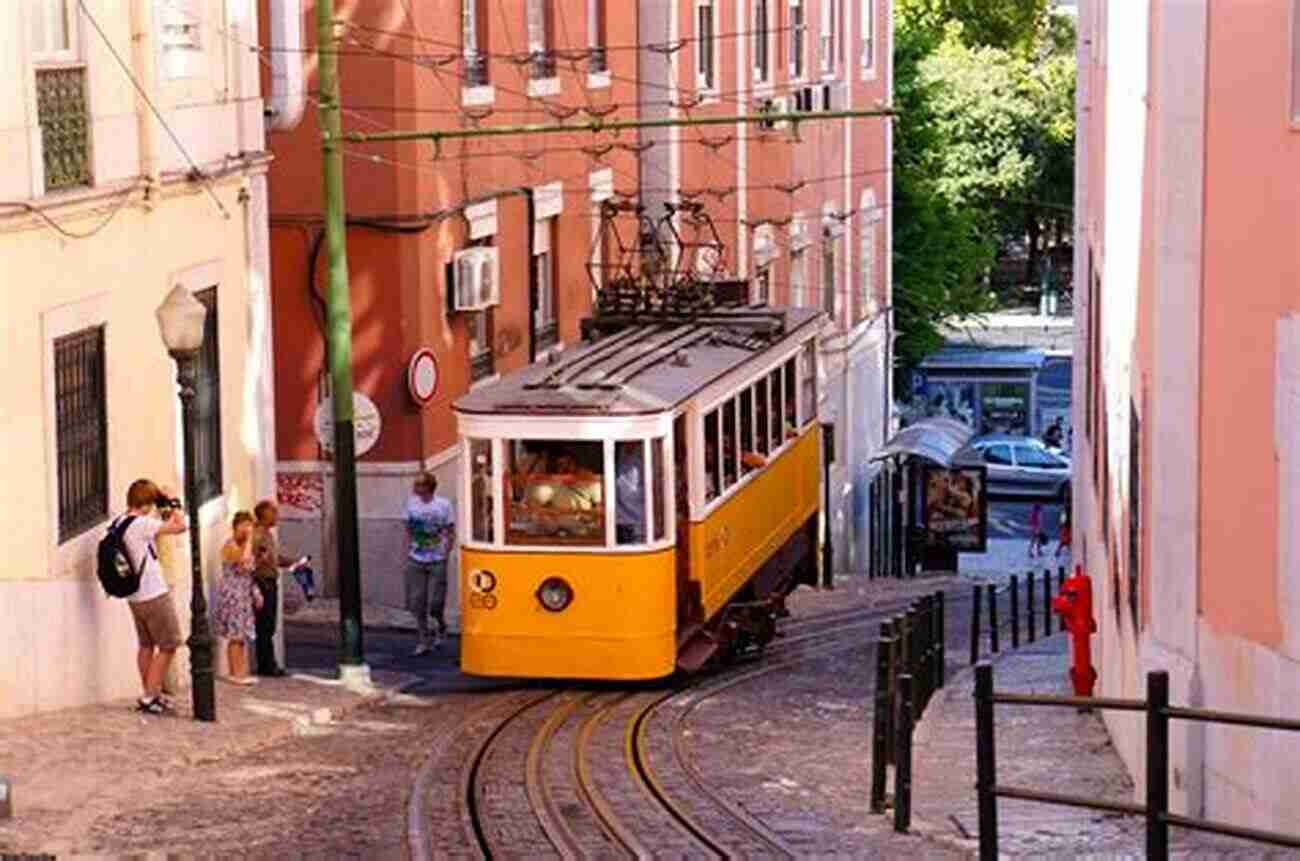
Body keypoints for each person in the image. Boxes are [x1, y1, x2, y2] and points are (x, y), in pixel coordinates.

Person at [115, 479, 188, 715]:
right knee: (169, 645)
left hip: (135, 596)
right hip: (154, 594)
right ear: (146, 503)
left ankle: (151, 695)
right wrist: (174, 501)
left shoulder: (119, 522)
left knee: (146, 645)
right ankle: (149, 695)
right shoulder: (142, 524)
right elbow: (180, 526)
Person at [251, 500, 307, 677]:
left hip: (270, 581)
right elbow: (258, 559)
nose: (277, 515)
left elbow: (273, 558)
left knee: (269, 625)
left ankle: (268, 663)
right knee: (265, 625)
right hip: (263, 583)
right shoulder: (259, 536)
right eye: (273, 512)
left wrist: (292, 562)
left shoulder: (267, 534)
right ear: (264, 515)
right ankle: (266, 665)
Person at [405, 472, 455, 656]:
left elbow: (450, 531)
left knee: (435, 603)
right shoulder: (411, 504)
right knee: (417, 602)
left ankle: (441, 625)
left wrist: (446, 553)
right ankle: (423, 639)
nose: (415, 488)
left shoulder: (443, 505)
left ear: (428, 487)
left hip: (437, 559)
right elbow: (408, 528)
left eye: (418, 484)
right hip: (416, 558)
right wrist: (408, 550)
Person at [213, 511, 262, 685]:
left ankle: (241, 672)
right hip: (232, 595)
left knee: (242, 636)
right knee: (235, 635)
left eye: (251, 526)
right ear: (237, 526)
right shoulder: (230, 545)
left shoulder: (244, 546)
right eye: (246, 526)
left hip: (243, 594)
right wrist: (249, 540)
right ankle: (234, 673)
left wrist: (256, 592)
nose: (249, 530)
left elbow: (249, 572)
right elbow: (243, 563)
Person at [615, 444, 646, 544]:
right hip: (620, 521)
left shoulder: (639, 459)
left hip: (635, 523)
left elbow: (628, 493)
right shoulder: (621, 455)